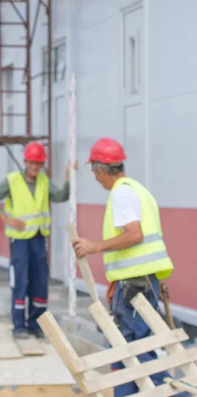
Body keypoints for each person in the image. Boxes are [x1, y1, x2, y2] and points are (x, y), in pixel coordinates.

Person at [72, 137, 186, 397]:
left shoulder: (121, 194)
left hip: (135, 286)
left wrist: (95, 246)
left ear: (100, 169)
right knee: (129, 348)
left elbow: (134, 235)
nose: (95, 177)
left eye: (94, 172)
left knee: (134, 349)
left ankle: (177, 394)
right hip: (139, 282)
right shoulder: (136, 189)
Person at [0, 142, 75, 340]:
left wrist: (69, 176)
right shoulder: (12, 180)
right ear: (25, 161)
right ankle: (19, 326)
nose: (35, 167)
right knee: (20, 282)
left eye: (39, 163)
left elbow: (61, 196)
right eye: (32, 163)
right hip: (20, 242)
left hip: (39, 240)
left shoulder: (44, 181)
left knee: (39, 283)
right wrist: (6, 218)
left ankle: (36, 324)